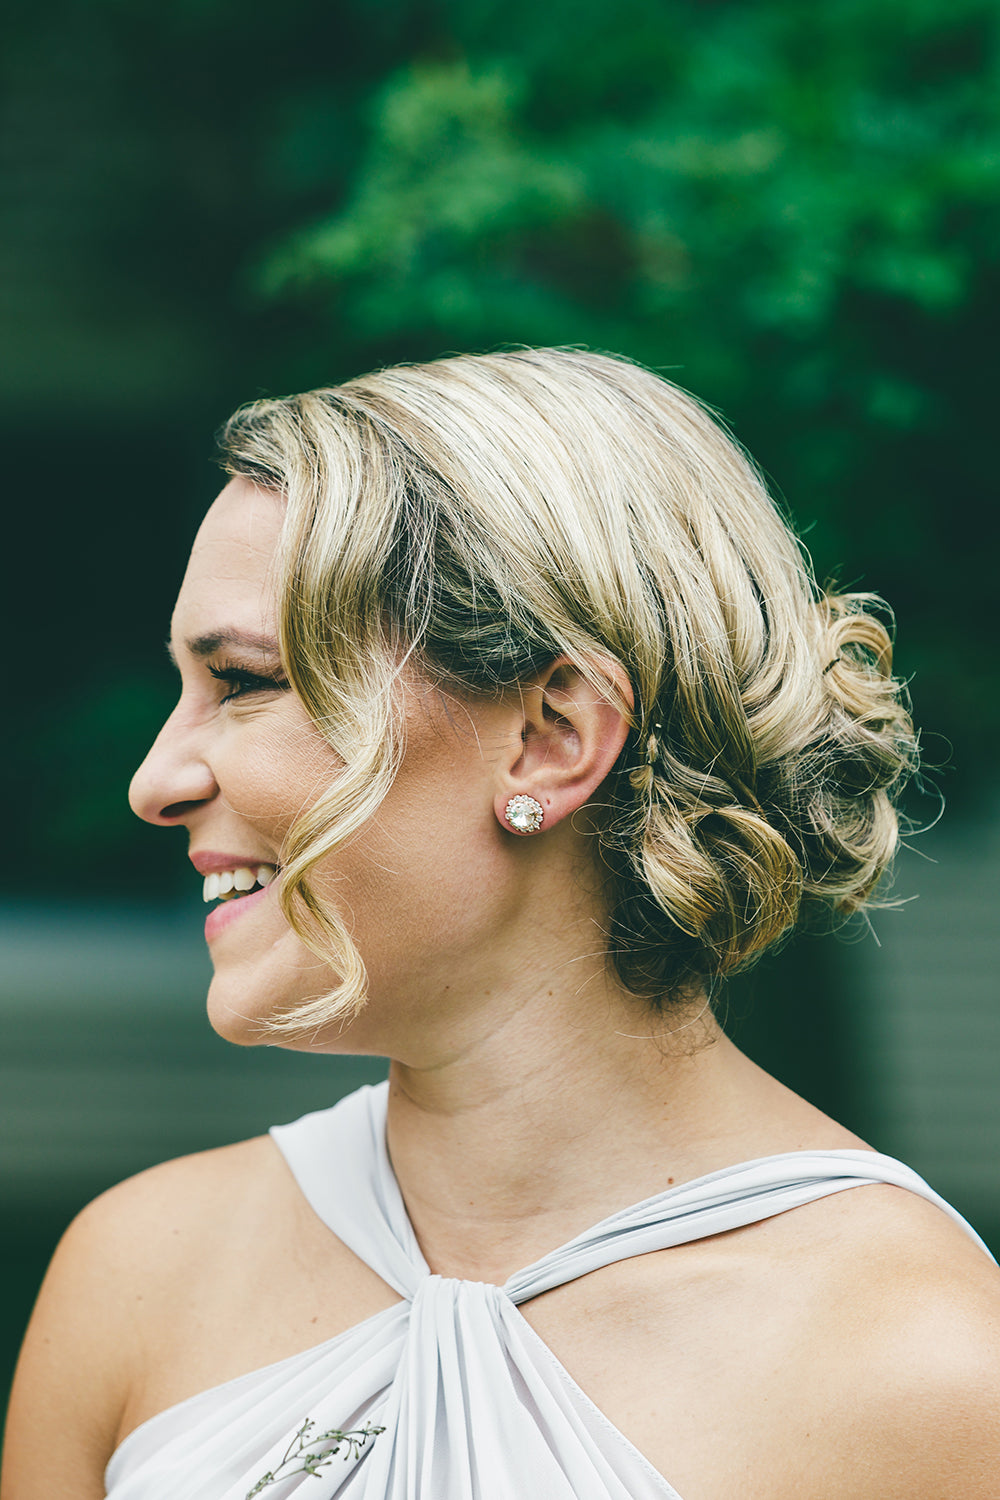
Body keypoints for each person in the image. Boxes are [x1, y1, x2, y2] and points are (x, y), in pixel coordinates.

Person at [3, 348, 998, 1500]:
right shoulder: (139, 1273)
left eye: (243, 682)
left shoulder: (922, 1376)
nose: (155, 780)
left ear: (550, 737)